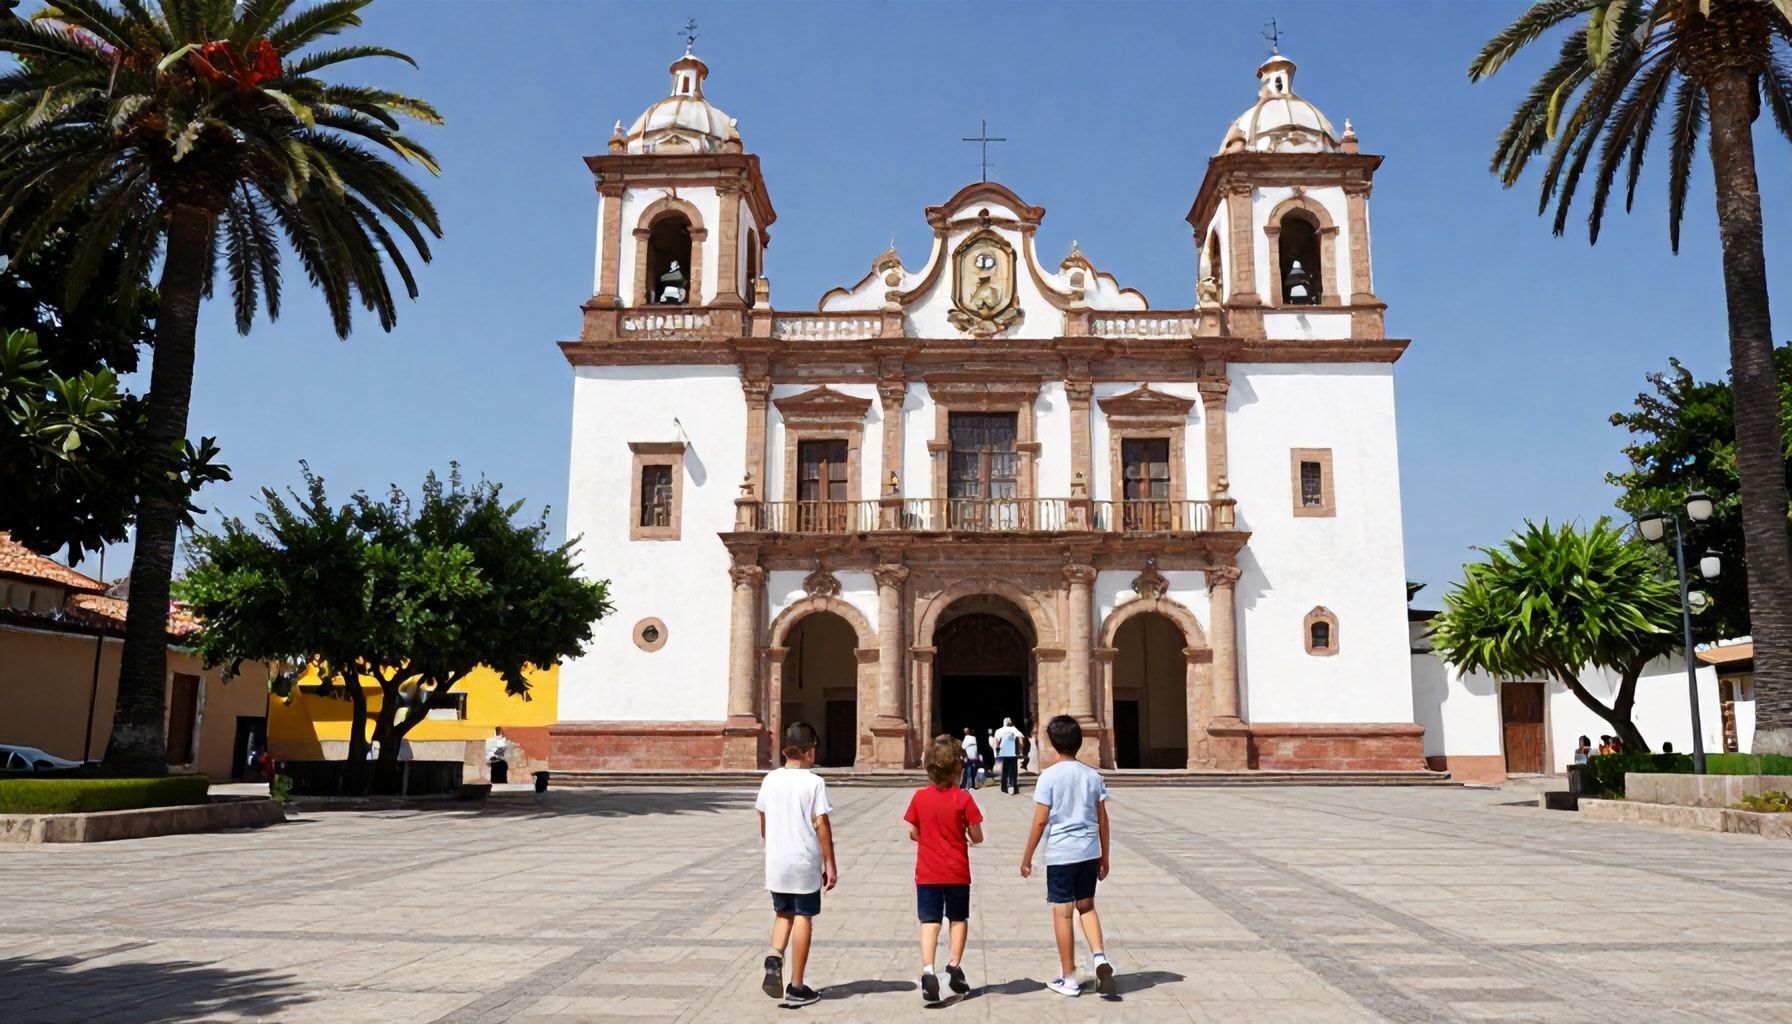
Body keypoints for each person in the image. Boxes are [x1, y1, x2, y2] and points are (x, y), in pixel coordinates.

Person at [1020, 715, 1116, 998]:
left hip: (1062, 853)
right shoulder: (1092, 776)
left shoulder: (1048, 776)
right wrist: (1105, 856)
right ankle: (1100, 958)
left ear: (1051, 744)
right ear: (1080, 742)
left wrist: (1027, 857)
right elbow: (1103, 819)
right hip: (1089, 852)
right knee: (1086, 907)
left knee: (1063, 914)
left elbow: (1040, 822)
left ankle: (1069, 978)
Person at [755, 721, 837, 1007]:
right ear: (809, 752)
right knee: (803, 916)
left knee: (783, 913)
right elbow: (821, 825)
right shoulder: (814, 782)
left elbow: (763, 819)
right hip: (804, 862)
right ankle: (797, 985)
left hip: (777, 861)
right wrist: (831, 863)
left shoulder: (770, 780)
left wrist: (774, 844)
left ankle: (775, 954)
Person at [904, 735, 984, 1004]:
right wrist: (965, 834)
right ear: (959, 770)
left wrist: (929, 838)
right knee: (958, 919)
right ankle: (953, 965)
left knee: (930, 921)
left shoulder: (919, 797)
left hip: (927, 872)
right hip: (957, 872)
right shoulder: (963, 799)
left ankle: (928, 970)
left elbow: (914, 832)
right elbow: (977, 836)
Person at [994, 717, 1024, 795]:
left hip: (1003, 754)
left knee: (1004, 771)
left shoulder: (999, 730)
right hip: (1012, 754)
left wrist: (997, 751)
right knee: (1013, 771)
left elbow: (996, 741)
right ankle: (1014, 787)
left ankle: (1004, 788)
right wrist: (1021, 750)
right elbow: (1021, 739)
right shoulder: (1014, 730)